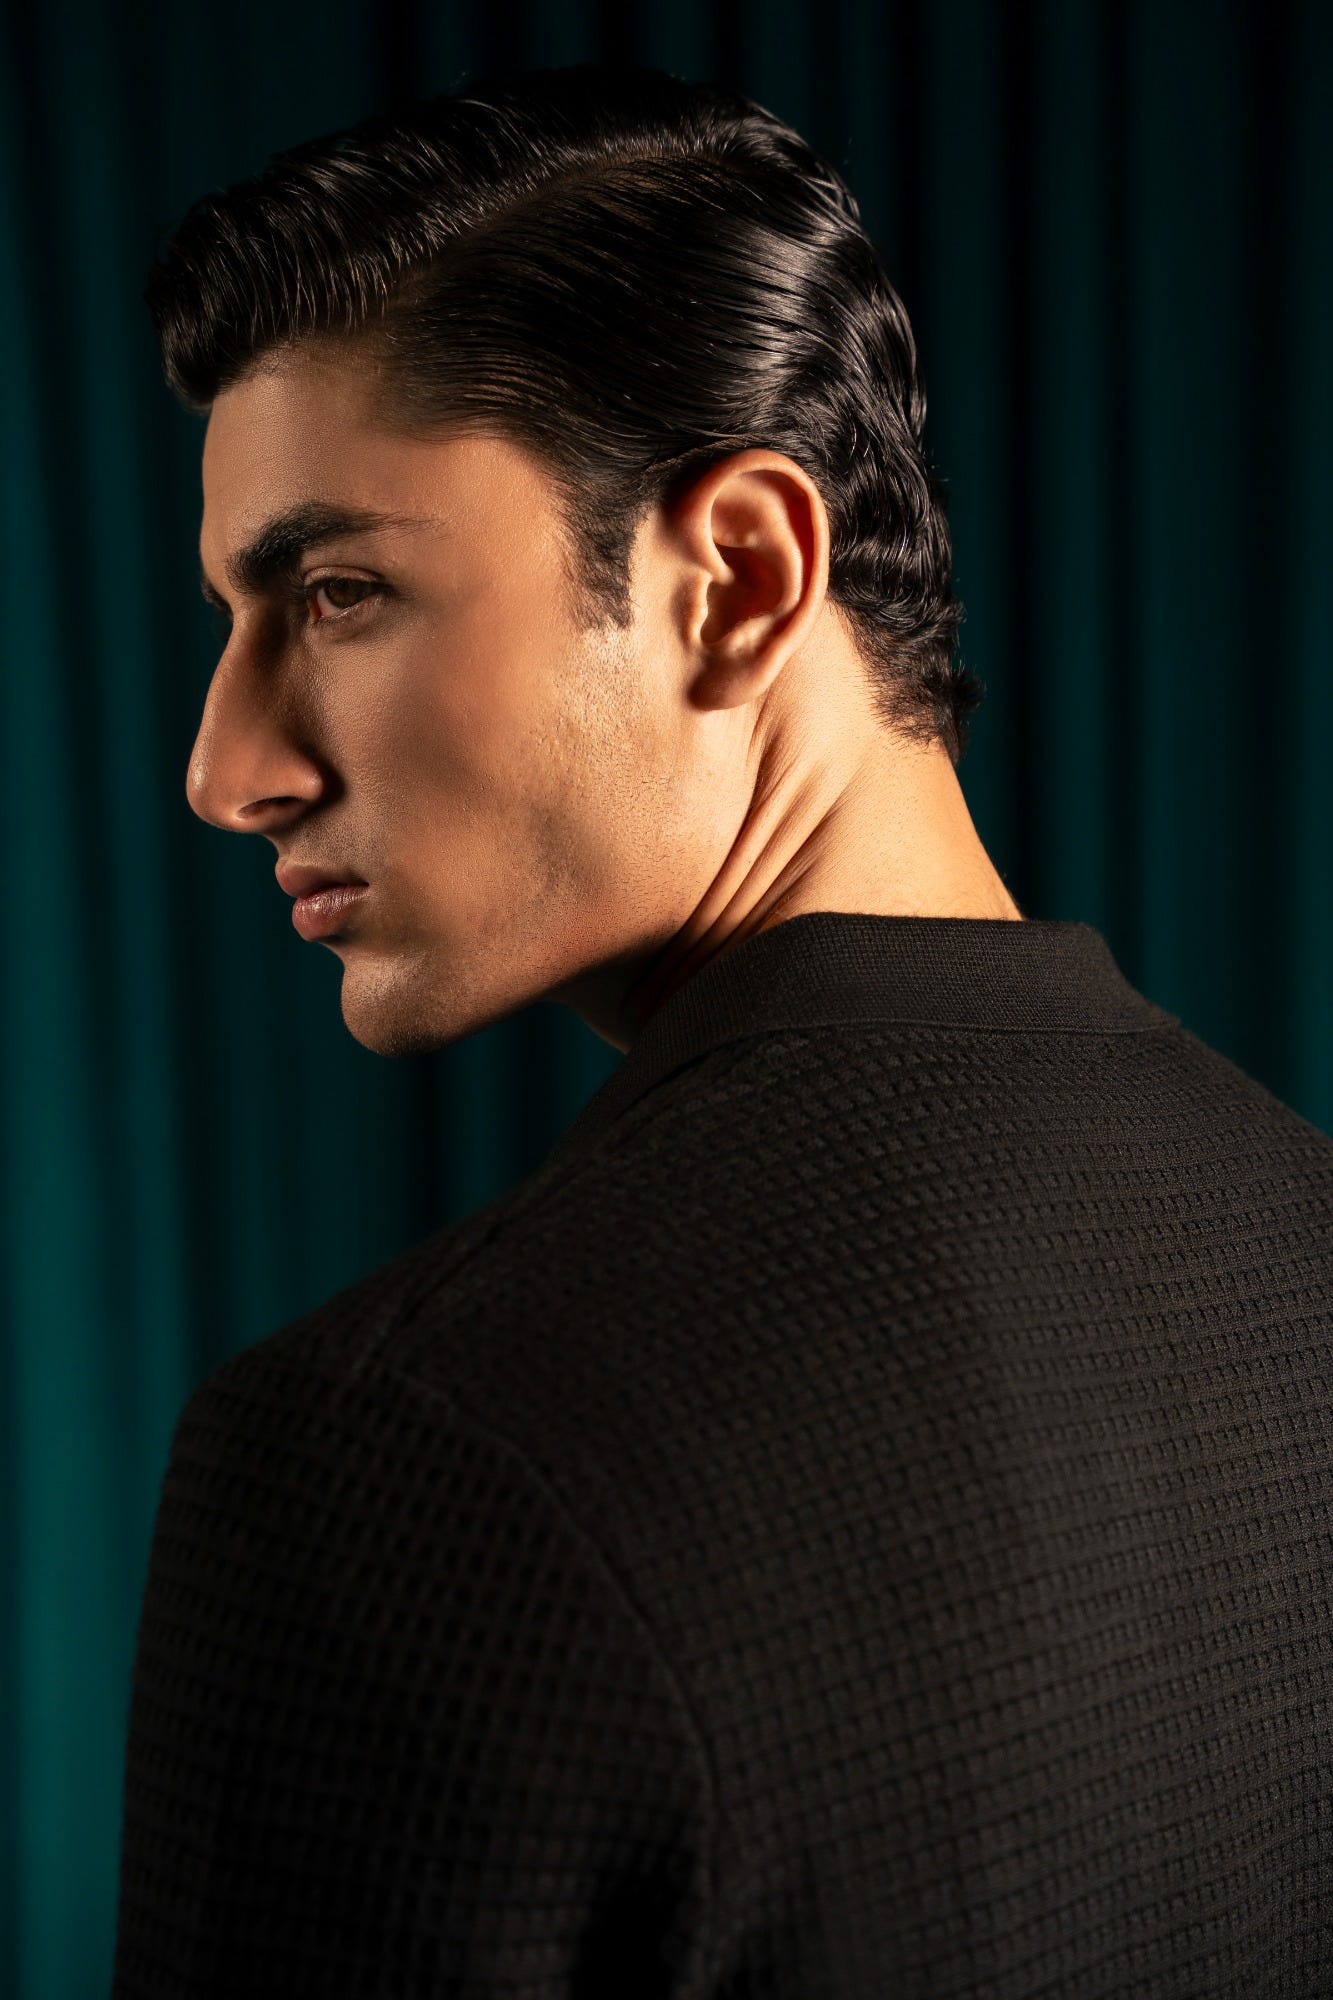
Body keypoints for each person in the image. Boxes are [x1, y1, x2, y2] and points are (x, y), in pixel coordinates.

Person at [112, 63, 1333, 1997]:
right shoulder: (1304, 1238)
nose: (224, 767)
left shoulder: (392, 1459)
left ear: (740, 578)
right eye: (232, 619)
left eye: (339, 594)